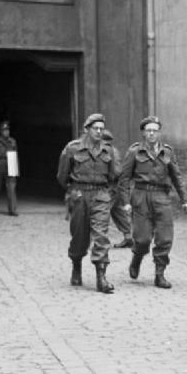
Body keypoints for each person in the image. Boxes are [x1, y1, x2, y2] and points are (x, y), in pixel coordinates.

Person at [119, 116, 187, 289]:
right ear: (144, 133)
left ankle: (160, 274)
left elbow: (176, 177)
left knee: (165, 238)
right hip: (141, 197)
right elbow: (124, 178)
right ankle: (137, 258)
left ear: (159, 132)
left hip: (162, 197)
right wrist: (126, 202)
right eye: (148, 130)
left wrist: (184, 200)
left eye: (155, 130)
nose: (151, 133)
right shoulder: (135, 152)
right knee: (142, 238)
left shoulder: (167, 152)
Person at [56, 113, 119, 293]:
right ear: (87, 129)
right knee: (79, 237)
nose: (99, 132)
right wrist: (73, 191)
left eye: (101, 128)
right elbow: (62, 175)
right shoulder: (72, 149)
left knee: (101, 235)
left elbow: (114, 176)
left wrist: (108, 195)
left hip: (101, 195)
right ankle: (76, 264)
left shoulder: (108, 151)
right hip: (80, 195)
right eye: (95, 128)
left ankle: (101, 277)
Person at [101, 129, 134, 248]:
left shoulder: (108, 152)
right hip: (114, 187)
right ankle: (128, 238)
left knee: (101, 212)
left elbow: (116, 171)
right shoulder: (112, 150)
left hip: (109, 187)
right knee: (118, 213)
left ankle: (100, 241)